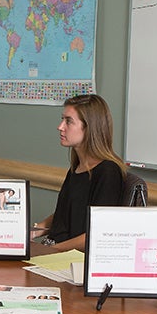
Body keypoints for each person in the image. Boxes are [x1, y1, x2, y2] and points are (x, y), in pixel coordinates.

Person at [31, 94, 126, 251]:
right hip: (55, 250)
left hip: (72, 259)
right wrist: (33, 232)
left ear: (89, 128)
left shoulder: (108, 173)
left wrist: (51, 251)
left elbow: (95, 234)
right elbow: (65, 216)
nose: (60, 127)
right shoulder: (77, 167)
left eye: (69, 121)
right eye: (63, 119)